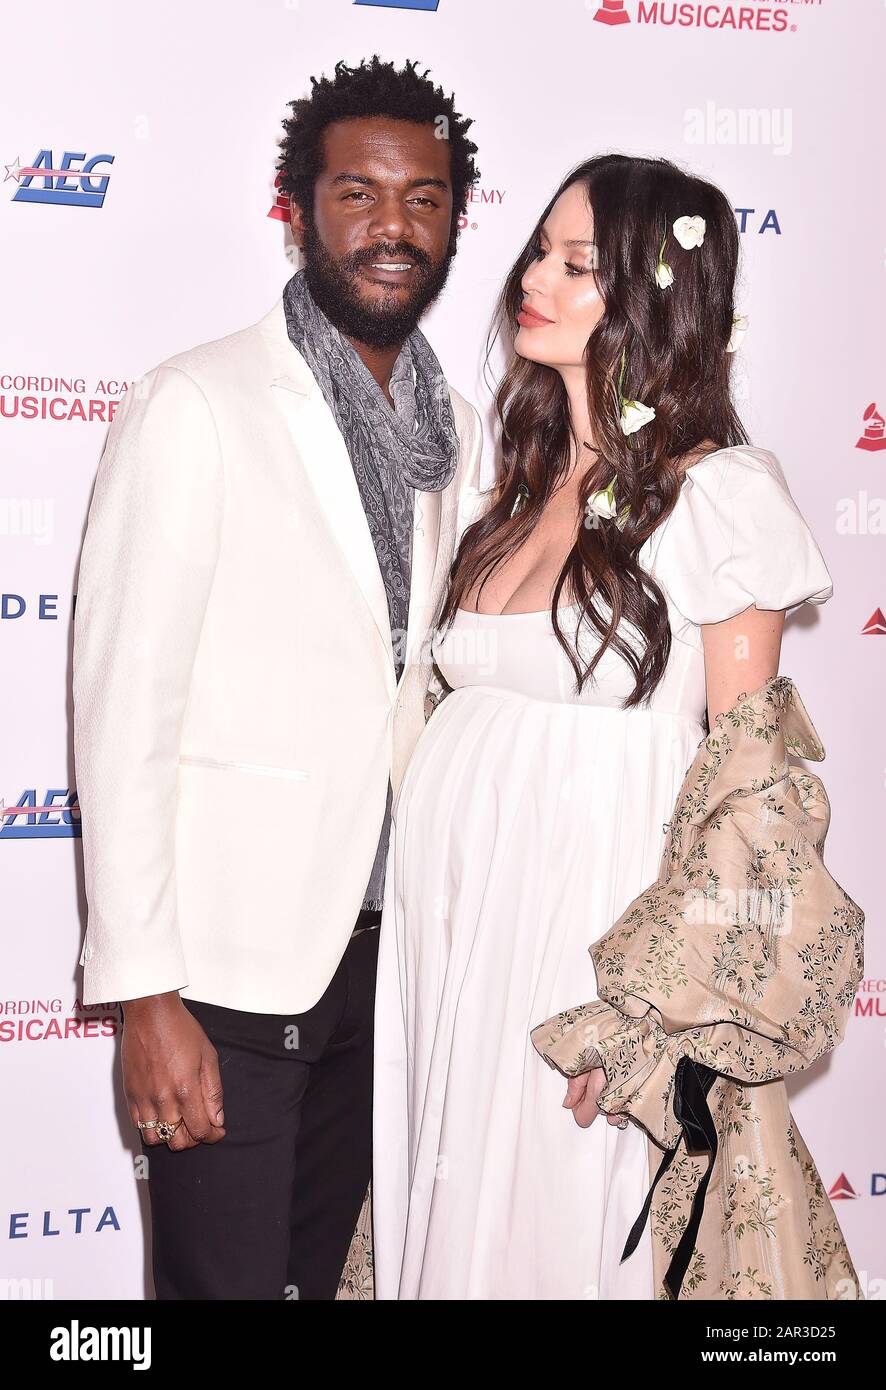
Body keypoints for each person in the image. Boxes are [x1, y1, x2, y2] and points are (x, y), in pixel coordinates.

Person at [371, 153, 835, 1300]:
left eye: (580, 265)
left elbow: (754, 794)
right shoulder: (506, 485)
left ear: (649, 300)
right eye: (540, 249)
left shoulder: (717, 494)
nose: (537, 277)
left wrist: (657, 1015)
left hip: (593, 949)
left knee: (559, 1233)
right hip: (455, 940)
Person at [72, 55, 482, 1301]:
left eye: (422, 197)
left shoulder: (455, 428)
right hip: (228, 980)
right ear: (296, 209)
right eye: (356, 194)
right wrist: (145, 992)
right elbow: (121, 710)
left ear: (458, 216)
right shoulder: (196, 401)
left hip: (387, 970)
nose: (392, 226)